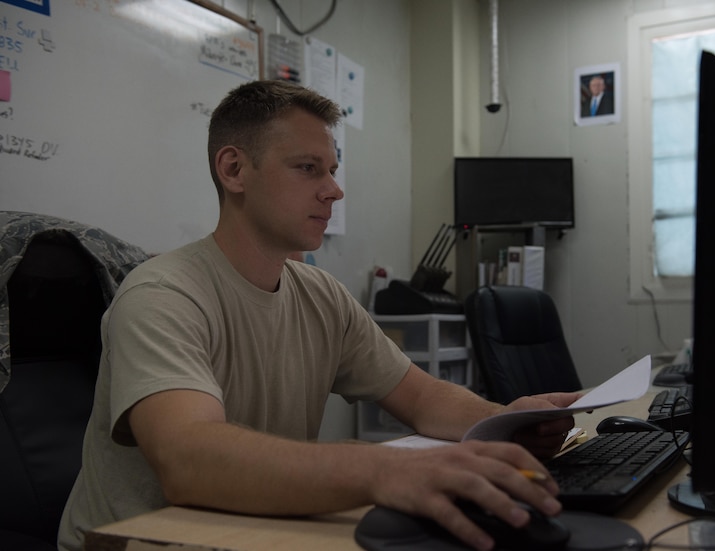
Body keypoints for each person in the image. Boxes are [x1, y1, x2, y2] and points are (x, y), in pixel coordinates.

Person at [57, 80, 580, 551]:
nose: (334, 189)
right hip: (138, 541)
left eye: (331, 170)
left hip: (254, 529)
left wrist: (508, 419)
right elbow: (187, 459)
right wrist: (386, 469)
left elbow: (422, 397)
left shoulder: (321, 295)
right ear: (234, 170)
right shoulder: (162, 294)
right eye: (308, 168)